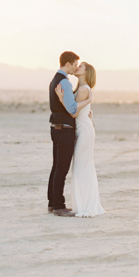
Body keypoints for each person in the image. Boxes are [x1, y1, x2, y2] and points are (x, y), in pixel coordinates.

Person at [55, 62, 105, 218]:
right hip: (83, 129)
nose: (77, 68)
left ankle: (85, 205)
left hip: (84, 132)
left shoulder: (84, 90)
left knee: (82, 167)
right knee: (82, 167)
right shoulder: (82, 89)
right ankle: (84, 203)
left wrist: (61, 98)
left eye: (81, 66)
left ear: (87, 72)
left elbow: (74, 113)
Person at [47, 51, 91, 217]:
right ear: (68, 64)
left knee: (56, 166)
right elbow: (72, 109)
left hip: (56, 127)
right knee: (61, 169)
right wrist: (88, 102)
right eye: (74, 64)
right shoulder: (64, 82)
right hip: (64, 129)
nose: (75, 67)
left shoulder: (54, 80)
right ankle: (59, 205)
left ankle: (52, 202)